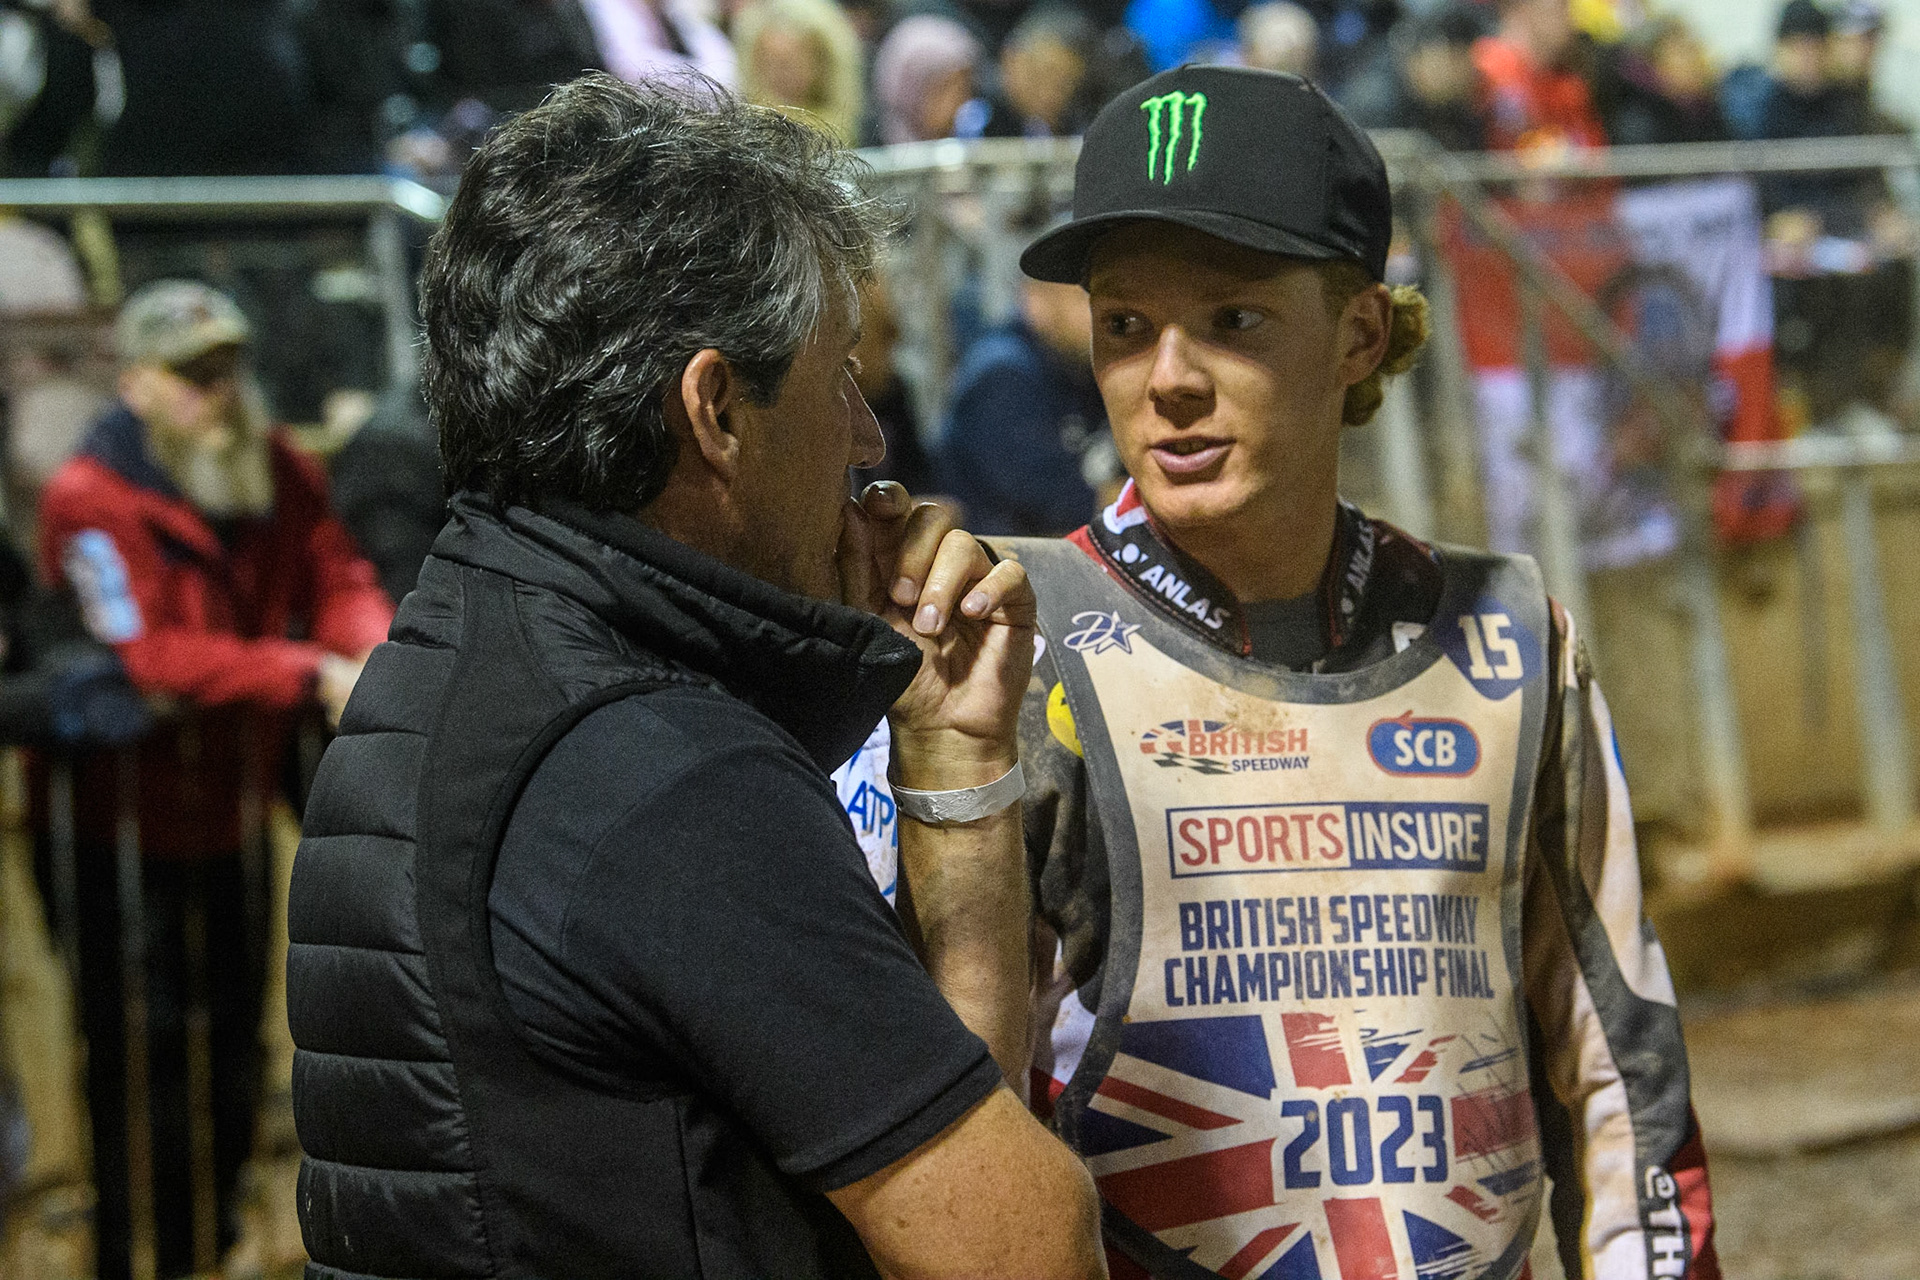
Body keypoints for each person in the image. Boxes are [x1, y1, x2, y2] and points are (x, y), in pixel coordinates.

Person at [286, 73, 1105, 1279]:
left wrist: (949, 763)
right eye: (839, 374)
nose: (869, 436)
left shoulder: (455, 654)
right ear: (717, 407)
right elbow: (1019, 1246)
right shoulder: (662, 775)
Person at [1003, 65, 1719, 1278]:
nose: (1168, 375)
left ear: (1359, 334)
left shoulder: (1508, 635)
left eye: (1232, 318)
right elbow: (937, 1101)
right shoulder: (1018, 646)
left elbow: (1618, 1064)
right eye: (1126, 325)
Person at [35, 280, 393, 1280]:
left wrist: (370, 646)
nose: (219, 391)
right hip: (120, 821)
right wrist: (306, 671)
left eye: (227, 367)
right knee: (136, 1058)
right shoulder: (89, 497)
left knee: (235, 1043)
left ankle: (207, 1241)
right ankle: (134, 1248)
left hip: (229, 807)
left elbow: (335, 571)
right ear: (137, 383)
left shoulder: (269, 463)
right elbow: (150, 656)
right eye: (193, 375)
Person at [940, 272, 1115, 537]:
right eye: (1087, 300)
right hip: (1000, 564)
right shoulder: (1002, 373)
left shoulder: (1077, 366)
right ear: (1037, 301)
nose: (1103, 317)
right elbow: (1056, 503)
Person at [1341, 3, 1488, 150]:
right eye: (1457, 59)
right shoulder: (1376, 103)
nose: (1467, 73)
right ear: (1425, 53)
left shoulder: (1454, 102)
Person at [1473, 0, 1606, 154]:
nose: (1570, 22)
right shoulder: (1492, 64)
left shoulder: (1568, 87)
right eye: (1556, 10)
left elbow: (1594, 163)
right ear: (1521, 10)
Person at [733, 0, 865, 143]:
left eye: (789, 64)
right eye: (769, 63)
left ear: (822, 62)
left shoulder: (853, 124)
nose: (778, 75)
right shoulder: (744, 129)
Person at [872, 13, 983, 144]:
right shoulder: (867, 155)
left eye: (965, 89)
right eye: (943, 89)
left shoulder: (980, 154)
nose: (958, 105)